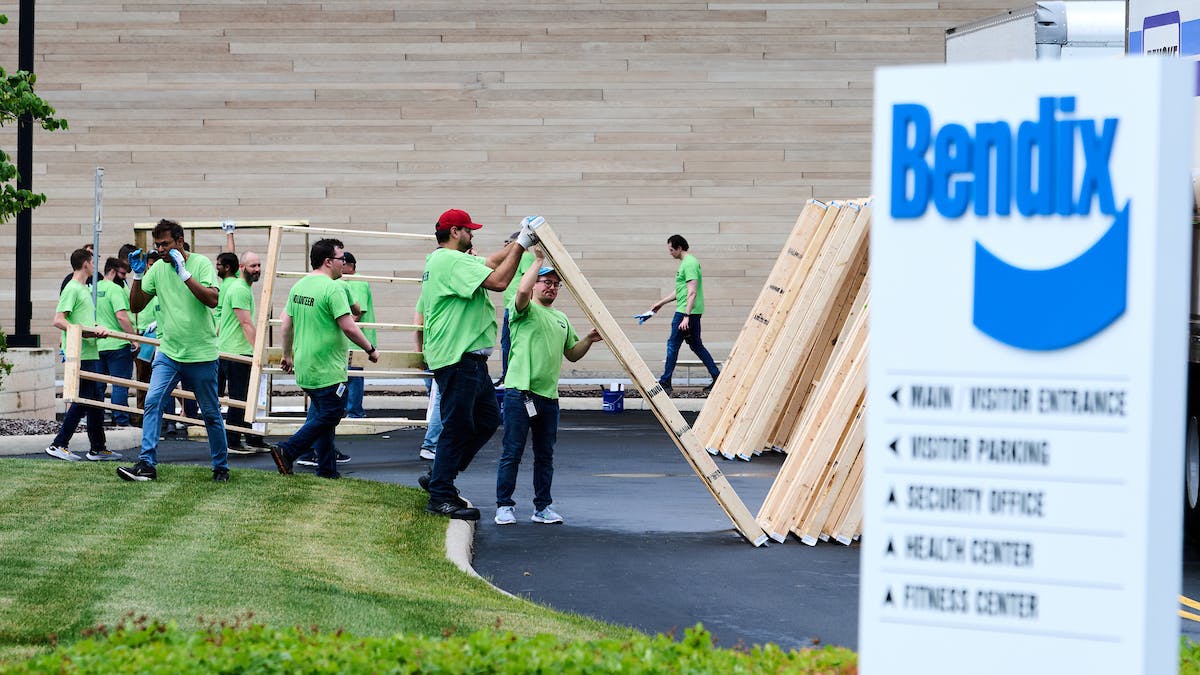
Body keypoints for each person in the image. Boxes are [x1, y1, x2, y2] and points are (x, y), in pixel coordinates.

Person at [416, 209, 540, 521]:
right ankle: (440, 495)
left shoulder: (447, 260)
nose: (473, 235)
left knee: (485, 420)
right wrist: (522, 245)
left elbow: (490, 262)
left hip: (468, 358)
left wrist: (517, 242)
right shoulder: (450, 260)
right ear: (455, 231)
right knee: (458, 426)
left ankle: (438, 475)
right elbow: (499, 281)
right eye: (469, 230)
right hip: (458, 357)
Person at [117, 219, 230, 483]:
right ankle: (146, 464)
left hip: (201, 353)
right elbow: (135, 306)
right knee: (153, 402)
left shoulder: (200, 263)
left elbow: (213, 299)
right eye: (157, 245)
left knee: (211, 413)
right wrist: (137, 276)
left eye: (165, 244)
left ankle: (221, 467)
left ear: (180, 242)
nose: (160, 250)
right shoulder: (156, 269)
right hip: (168, 353)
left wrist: (185, 274)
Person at [494, 251, 602, 525]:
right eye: (546, 282)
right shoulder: (522, 310)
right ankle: (504, 506)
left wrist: (588, 339)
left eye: (556, 284)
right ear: (536, 284)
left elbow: (572, 354)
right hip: (520, 393)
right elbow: (520, 290)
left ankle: (542, 507)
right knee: (512, 452)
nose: (551, 287)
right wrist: (538, 261)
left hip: (548, 398)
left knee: (545, 456)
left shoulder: (562, 319)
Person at [267, 238, 380, 479]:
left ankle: (327, 471)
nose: (344, 263)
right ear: (328, 262)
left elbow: (286, 322)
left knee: (323, 417)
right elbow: (349, 327)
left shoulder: (300, 286)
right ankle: (287, 450)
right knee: (331, 414)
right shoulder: (333, 288)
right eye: (341, 259)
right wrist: (370, 349)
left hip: (306, 365)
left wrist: (287, 354)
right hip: (327, 367)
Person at [45, 248, 116, 461]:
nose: (95, 266)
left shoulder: (84, 289)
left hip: (91, 351)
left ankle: (98, 448)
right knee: (85, 399)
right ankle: (58, 444)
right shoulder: (72, 288)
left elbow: (81, 321)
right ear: (85, 263)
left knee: (95, 400)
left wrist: (96, 328)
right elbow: (58, 320)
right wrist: (84, 331)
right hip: (80, 353)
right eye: (93, 261)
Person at [641, 234, 721, 394]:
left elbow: (692, 292)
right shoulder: (687, 263)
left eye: (671, 249)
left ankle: (665, 382)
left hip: (686, 313)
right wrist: (660, 303)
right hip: (690, 312)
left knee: (672, 344)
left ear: (679, 248)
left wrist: (686, 317)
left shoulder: (689, 264)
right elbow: (681, 291)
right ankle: (717, 377)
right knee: (696, 345)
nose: (669, 253)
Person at [215, 248, 267, 453]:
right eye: (253, 265)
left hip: (237, 349)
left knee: (247, 397)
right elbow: (245, 323)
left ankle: (252, 438)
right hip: (235, 351)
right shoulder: (239, 289)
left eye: (259, 265)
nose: (257, 269)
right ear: (242, 267)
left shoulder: (244, 287)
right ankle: (233, 441)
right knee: (239, 397)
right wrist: (258, 352)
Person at [94, 257, 136, 427]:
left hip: (97, 344)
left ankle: (96, 419)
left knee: (98, 386)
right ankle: (121, 421)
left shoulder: (92, 289)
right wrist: (134, 338)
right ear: (112, 271)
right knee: (120, 385)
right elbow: (121, 316)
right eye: (123, 274)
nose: (124, 278)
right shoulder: (115, 289)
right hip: (118, 344)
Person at [497, 232, 535, 386]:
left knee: (512, 344)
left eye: (509, 242)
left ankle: (511, 377)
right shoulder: (513, 259)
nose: (506, 245)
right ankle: (506, 375)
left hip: (518, 307)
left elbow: (529, 282)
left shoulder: (526, 257)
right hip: (510, 308)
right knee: (506, 344)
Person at [342, 251, 374, 418]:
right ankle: (350, 411)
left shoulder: (358, 282)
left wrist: (345, 327)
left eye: (343, 263)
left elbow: (358, 311)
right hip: (352, 338)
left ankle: (354, 412)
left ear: (351, 265)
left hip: (355, 339)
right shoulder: (348, 281)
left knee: (353, 377)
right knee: (347, 377)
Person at [414, 298, 441, 461]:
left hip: (430, 353)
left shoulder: (426, 296)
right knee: (440, 399)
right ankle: (430, 444)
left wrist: (419, 353)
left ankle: (432, 441)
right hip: (442, 354)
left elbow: (417, 327)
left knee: (435, 399)